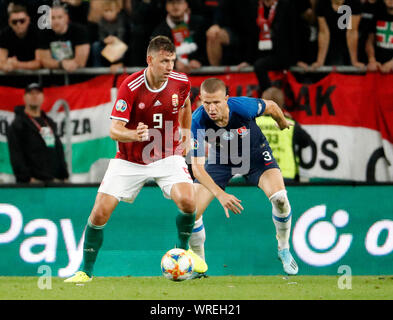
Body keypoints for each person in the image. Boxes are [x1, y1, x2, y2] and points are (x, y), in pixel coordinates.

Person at [64, 35, 207, 283]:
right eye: (164, 61)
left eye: (172, 61)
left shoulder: (181, 81)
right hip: (129, 160)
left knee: (188, 202)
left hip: (167, 154)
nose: (169, 67)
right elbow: (114, 130)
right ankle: (85, 271)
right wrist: (133, 133)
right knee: (99, 214)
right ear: (149, 60)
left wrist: (185, 135)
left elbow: (185, 106)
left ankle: (181, 253)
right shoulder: (130, 86)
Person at [189, 78, 298, 277]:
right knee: (191, 212)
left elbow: (272, 106)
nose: (211, 108)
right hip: (221, 159)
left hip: (256, 155)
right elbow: (197, 169)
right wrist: (220, 195)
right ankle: (199, 266)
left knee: (280, 198)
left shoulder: (243, 107)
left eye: (216, 102)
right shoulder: (197, 120)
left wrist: (282, 123)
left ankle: (283, 248)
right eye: (207, 103)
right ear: (200, 100)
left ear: (227, 99)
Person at [6, 83, 69, 183]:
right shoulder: (17, 125)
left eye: (38, 93)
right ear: (24, 97)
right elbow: (16, 156)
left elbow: (58, 149)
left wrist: (64, 175)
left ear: (43, 97)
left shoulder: (49, 122)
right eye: (31, 93)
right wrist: (27, 179)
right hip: (33, 185)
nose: (34, 96)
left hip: (54, 183)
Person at [256, 87, 313, 182]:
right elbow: (307, 142)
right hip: (285, 175)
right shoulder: (290, 124)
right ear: (281, 105)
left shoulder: (252, 123)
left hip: (258, 175)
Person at [151, 0, 208, 74]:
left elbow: (207, 48)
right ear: (166, 6)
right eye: (171, 2)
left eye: (179, 2)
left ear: (186, 5)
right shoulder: (159, 31)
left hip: (200, 74)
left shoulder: (200, 23)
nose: (175, 6)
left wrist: (200, 60)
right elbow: (155, 55)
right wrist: (173, 62)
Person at [37, 3, 90, 72]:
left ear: (67, 18)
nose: (56, 21)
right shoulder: (43, 34)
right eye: (52, 18)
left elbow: (80, 62)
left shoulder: (80, 31)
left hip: (78, 76)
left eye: (60, 17)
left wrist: (56, 64)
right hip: (54, 78)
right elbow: (44, 62)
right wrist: (61, 64)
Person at [311, 0, 364, 69]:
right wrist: (320, 61)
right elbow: (323, 32)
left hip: (348, 45)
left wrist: (354, 61)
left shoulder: (354, 3)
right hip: (330, 45)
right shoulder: (322, 3)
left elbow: (352, 32)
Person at [0, 3, 41, 72]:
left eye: (22, 21)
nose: (18, 24)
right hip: (10, 78)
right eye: (14, 22)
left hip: (33, 78)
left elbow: (39, 63)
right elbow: (1, 60)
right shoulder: (4, 35)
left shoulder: (37, 34)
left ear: (28, 20)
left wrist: (17, 65)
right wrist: (5, 65)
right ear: (9, 22)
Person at [366, 0, 393, 72]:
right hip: (378, 67)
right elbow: (369, 40)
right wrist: (372, 59)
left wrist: (391, 63)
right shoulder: (377, 13)